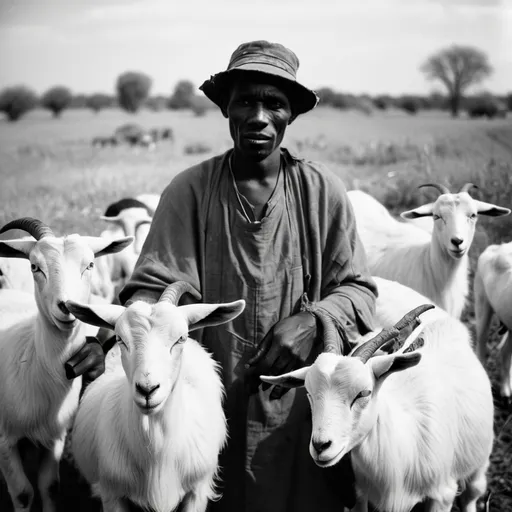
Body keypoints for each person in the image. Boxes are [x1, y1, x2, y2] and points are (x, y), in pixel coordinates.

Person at [66, 40, 377, 512]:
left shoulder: (323, 193)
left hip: (300, 406)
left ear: (291, 113)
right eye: (245, 101)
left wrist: (314, 320)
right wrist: (107, 337)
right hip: (200, 405)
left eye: (274, 103)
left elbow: (358, 290)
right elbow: (153, 287)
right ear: (225, 108)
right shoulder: (188, 191)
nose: (258, 116)